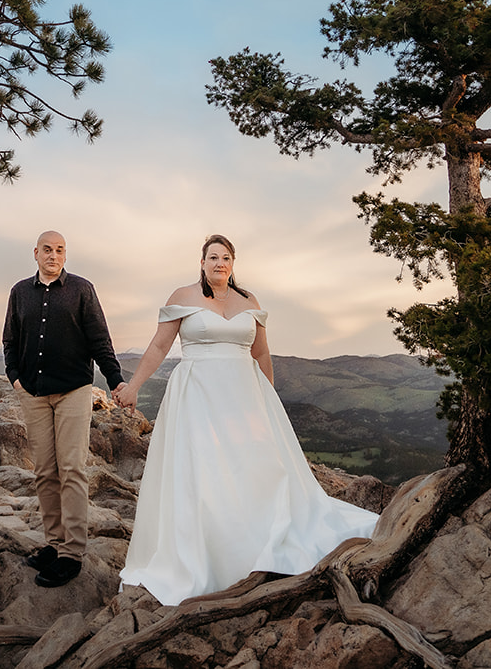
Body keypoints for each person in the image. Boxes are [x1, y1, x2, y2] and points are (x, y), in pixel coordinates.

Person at [113, 234, 378, 605]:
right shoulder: (182, 297)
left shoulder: (249, 300)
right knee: (205, 471)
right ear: (202, 262)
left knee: (253, 469)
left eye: (226, 258)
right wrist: (134, 386)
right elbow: (159, 346)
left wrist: (267, 399)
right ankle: (211, 554)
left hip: (244, 396)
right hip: (197, 396)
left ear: (233, 264)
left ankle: (260, 538)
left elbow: (262, 353)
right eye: (213, 257)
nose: (219, 263)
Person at [3, 230, 126, 588]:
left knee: (72, 469)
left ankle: (72, 552)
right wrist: (15, 379)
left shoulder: (81, 290)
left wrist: (115, 379)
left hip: (74, 390)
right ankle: (54, 544)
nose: (53, 255)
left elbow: (99, 339)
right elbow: (9, 339)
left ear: (65, 255)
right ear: (36, 254)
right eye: (47, 250)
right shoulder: (19, 292)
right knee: (44, 470)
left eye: (59, 250)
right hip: (35, 394)